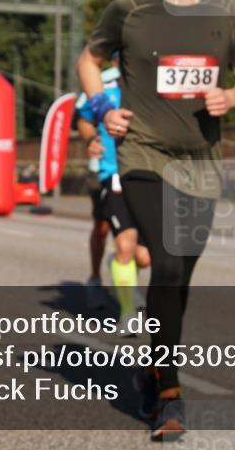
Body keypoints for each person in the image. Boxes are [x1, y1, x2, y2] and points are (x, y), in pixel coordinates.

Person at [76, 0, 235, 439]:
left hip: (201, 162)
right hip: (143, 155)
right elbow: (89, 60)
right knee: (167, 259)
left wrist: (232, 95)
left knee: (178, 277)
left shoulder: (224, 12)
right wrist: (100, 108)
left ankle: (153, 363)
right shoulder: (129, 11)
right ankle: (168, 395)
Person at [75, 59, 151, 325]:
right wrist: (91, 140)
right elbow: (84, 120)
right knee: (109, 232)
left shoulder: (155, 90)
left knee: (144, 256)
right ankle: (117, 301)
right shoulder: (104, 90)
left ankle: (121, 267)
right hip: (112, 174)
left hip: (150, 177)